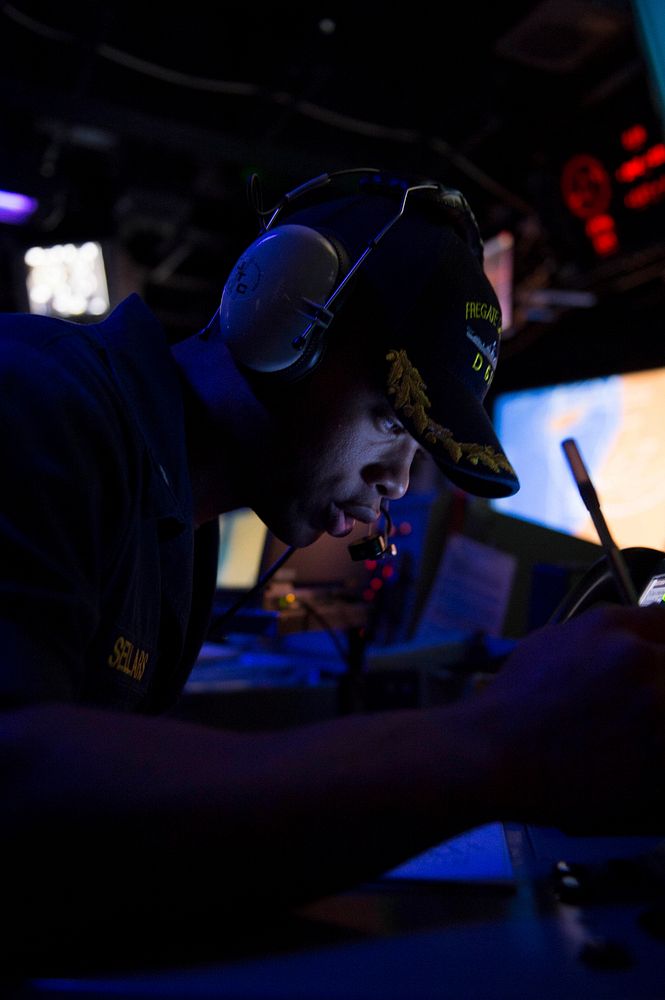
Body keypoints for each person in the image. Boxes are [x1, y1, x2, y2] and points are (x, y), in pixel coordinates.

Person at [1, 167, 664, 970]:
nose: (396, 482)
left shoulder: (175, 521)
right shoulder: (38, 396)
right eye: (392, 421)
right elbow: (21, 797)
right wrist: (499, 743)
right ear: (278, 311)